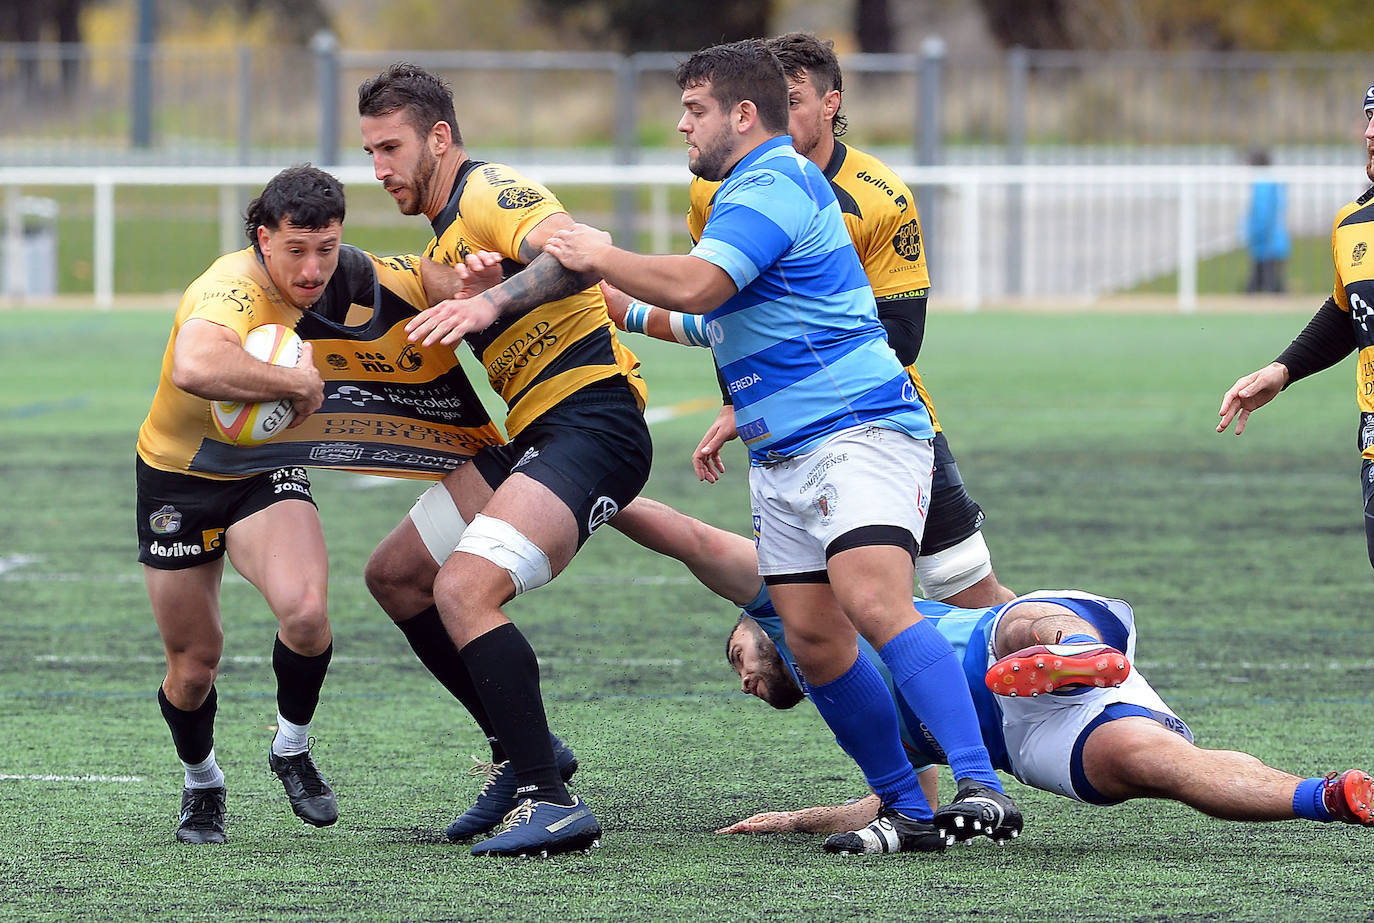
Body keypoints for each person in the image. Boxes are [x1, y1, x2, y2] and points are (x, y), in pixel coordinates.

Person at [539, 39, 1024, 856]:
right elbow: (707, 319)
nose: (682, 128)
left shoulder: (770, 179)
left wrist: (599, 252)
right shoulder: (744, 193)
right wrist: (606, 295)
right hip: (784, 450)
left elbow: (699, 286)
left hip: (856, 430)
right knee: (814, 637)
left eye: (693, 111)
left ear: (741, 113)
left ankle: (983, 786)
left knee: (874, 601)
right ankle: (908, 807)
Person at [605, 32, 1013, 610]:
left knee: (964, 591)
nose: (783, 113)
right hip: (782, 424)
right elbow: (728, 305)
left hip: (877, 414)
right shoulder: (716, 185)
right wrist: (735, 400)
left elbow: (903, 333)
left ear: (831, 103)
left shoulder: (880, 196)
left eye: (795, 100)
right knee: (822, 617)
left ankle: (1084, 666)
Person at [357, 63, 651, 857]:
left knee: (464, 587)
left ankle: (552, 801)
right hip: (536, 436)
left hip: (596, 422)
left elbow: (579, 253)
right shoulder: (445, 237)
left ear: (440, 138)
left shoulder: (490, 191)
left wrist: (490, 298)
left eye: (390, 148)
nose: (378, 170)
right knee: (396, 574)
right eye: (370, 152)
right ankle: (526, 756)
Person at [136, 165, 450, 845]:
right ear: (263, 239)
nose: (312, 270)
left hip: (260, 470)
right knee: (194, 667)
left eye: (327, 248)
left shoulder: (342, 269)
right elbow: (194, 364)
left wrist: (492, 283)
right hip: (178, 478)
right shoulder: (229, 288)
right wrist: (296, 384)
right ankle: (202, 782)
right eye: (296, 250)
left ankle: (290, 746)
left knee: (307, 614)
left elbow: (424, 279)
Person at [717, 590, 1374, 842]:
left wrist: (614, 486)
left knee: (1014, 627)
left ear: (763, 623)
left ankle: (1076, 650)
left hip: (1020, 642)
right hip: (1031, 733)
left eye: (737, 653)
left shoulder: (848, 600)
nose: (743, 678)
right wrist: (794, 819)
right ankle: (1333, 796)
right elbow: (903, 803)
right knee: (1157, 765)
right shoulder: (850, 709)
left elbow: (700, 546)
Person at [1218, 85, 1374, 569]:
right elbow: (1348, 314)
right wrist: (1282, 370)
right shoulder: (1352, 225)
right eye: (1368, 117)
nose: (1369, 133)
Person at [1242, 147, 1289, 294]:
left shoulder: (1262, 183)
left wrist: (1254, 235)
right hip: (1274, 243)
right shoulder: (1273, 181)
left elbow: (1263, 214)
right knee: (1271, 288)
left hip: (1266, 245)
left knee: (1264, 289)